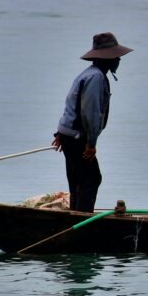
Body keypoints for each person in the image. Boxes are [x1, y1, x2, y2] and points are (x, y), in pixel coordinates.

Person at [53, 32, 133, 212]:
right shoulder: (96, 78)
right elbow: (90, 113)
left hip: (68, 134)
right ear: (107, 59)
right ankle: (82, 218)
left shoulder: (88, 74)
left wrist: (60, 132)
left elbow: (70, 105)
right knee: (91, 179)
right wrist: (91, 143)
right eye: (116, 57)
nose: (119, 60)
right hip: (77, 137)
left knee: (77, 179)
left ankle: (74, 215)